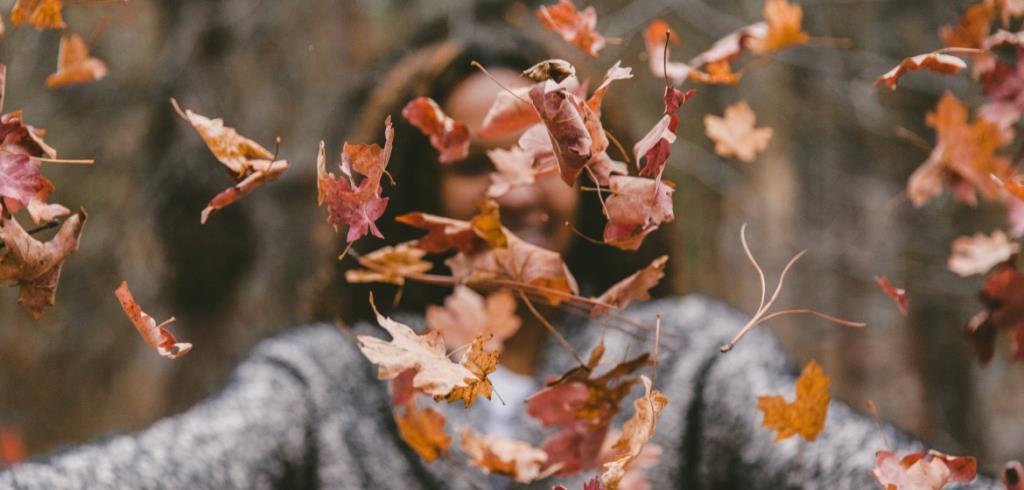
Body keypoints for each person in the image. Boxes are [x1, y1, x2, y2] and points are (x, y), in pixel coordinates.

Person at [0, 25, 999, 490]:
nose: (519, 186)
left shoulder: (686, 364)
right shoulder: (330, 386)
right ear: (420, 200)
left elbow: (835, 466)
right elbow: (168, 469)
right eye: (477, 165)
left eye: (544, 154)